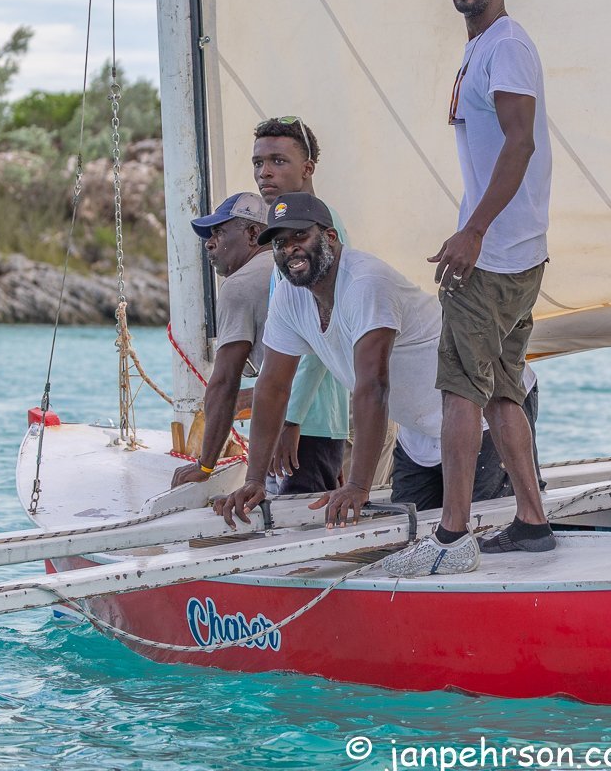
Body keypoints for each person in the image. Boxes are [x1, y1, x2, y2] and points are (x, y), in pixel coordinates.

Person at [212, 194, 537, 564]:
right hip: (417, 434)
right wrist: (254, 479)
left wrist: (358, 485)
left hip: (482, 418)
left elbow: (373, 386)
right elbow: (272, 387)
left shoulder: (365, 281)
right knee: (409, 547)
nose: (290, 250)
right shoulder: (289, 293)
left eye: (299, 236)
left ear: (330, 237)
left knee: (486, 548)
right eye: (280, 243)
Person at [421, 0, 553, 571]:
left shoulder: (506, 47)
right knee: (502, 391)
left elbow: (519, 141)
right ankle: (531, 520)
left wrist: (473, 230)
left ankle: (451, 534)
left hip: (493, 253)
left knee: (459, 392)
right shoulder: (485, 48)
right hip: (517, 250)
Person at [250, 115, 350, 495]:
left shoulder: (321, 230)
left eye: (278, 161)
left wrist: (290, 420)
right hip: (303, 417)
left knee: (304, 536)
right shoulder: (287, 232)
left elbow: (323, 328)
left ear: (307, 168)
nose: (265, 173)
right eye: (258, 163)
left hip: (311, 421)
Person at [170, 191, 273, 488]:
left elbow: (225, 381)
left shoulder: (239, 285)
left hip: (305, 430)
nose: (209, 242)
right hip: (356, 420)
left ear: (253, 233)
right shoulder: (291, 268)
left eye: (219, 231)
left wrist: (204, 464)